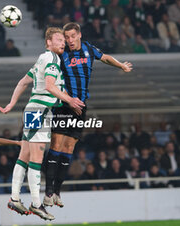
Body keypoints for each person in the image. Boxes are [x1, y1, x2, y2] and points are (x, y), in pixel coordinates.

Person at [0, 27, 84, 221]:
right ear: (48, 43)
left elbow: (22, 82)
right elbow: (50, 86)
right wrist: (69, 100)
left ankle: (14, 198)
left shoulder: (42, 59)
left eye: (63, 40)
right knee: (36, 159)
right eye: (59, 39)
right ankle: (36, 204)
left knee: (25, 156)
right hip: (40, 111)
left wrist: (11, 104)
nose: (63, 42)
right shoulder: (52, 59)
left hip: (33, 109)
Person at [43, 22, 132, 208]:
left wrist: (121, 65)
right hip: (64, 105)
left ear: (79, 35)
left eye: (72, 36)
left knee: (68, 150)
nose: (69, 40)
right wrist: (69, 100)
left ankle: (57, 192)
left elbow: (105, 57)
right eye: (66, 37)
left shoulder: (88, 49)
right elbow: (52, 79)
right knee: (56, 146)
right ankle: (48, 191)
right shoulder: (60, 54)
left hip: (81, 107)